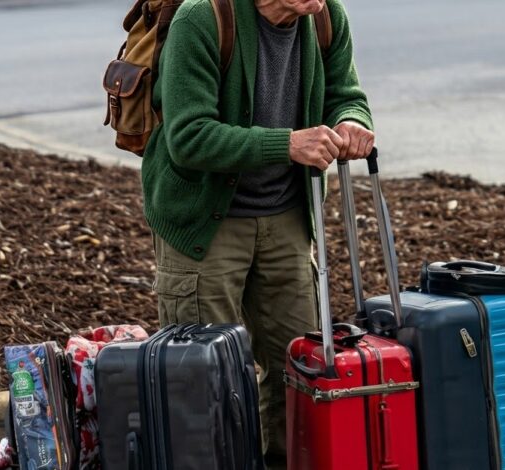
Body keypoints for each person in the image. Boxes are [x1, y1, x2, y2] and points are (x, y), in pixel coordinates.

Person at [141, 0, 374, 467]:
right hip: (204, 222)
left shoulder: (326, 15)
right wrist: (286, 144)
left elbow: (346, 93)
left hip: (287, 215)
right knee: (203, 379)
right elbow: (188, 137)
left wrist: (353, 120)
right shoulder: (201, 18)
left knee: (302, 370)